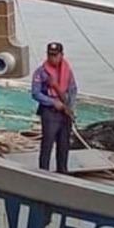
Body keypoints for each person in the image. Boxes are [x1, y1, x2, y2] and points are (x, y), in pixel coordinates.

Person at [31, 42, 77, 174]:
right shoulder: (41, 72)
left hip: (65, 112)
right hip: (50, 112)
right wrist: (52, 102)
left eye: (55, 55)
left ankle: (62, 171)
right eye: (50, 55)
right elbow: (35, 93)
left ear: (61, 55)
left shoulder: (67, 71)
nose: (52, 58)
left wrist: (70, 106)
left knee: (64, 145)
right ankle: (43, 172)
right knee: (47, 143)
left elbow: (73, 89)